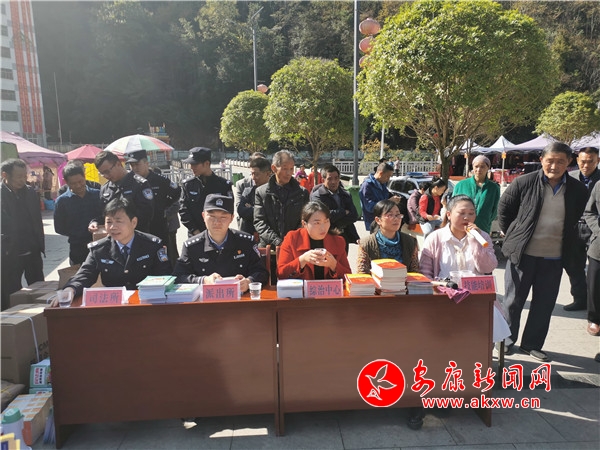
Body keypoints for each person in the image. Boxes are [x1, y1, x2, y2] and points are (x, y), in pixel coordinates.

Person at [498, 142, 588, 362]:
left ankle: (532, 344)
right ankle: (507, 341)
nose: (554, 166)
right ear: (541, 160)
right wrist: (515, 236)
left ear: (569, 163)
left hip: (554, 257)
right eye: (550, 161)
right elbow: (504, 210)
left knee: (544, 304)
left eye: (560, 161)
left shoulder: (577, 190)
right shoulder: (524, 182)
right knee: (512, 301)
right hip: (522, 255)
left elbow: (579, 217)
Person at [59, 198, 172, 299]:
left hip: (146, 302)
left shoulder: (152, 245)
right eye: (109, 222)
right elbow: (85, 274)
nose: (113, 227)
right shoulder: (99, 249)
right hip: (115, 304)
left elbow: (165, 276)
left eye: (118, 221)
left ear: (133, 222)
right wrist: (71, 289)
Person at [173, 194, 269, 290]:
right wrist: (203, 280)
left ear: (231, 218)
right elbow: (178, 277)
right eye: (212, 216)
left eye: (223, 217)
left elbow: (262, 272)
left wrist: (249, 281)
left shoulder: (246, 242)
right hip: (205, 298)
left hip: (240, 297)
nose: (217, 222)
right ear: (203, 216)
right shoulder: (191, 246)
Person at [1, 159, 45, 310]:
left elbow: (37, 220)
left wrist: (39, 243)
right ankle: (11, 318)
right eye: (18, 176)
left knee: (39, 287)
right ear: (5, 175)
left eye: (24, 176)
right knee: (9, 291)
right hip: (9, 253)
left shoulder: (30, 192)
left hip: (32, 249)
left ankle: (41, 315)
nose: (23, 180)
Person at [420, 195, 497, 279]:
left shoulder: (483, 237)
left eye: (471, 213)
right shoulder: (434, 238)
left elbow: (488, 268)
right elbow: (425, 273)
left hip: (475, 287)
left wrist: (475, 242)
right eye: (461, 213)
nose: (466, 218)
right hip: (443, 287)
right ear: (449, 215)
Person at [563, 146, 600, 311]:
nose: (586, 165)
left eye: (590, 162)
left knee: (595, 270)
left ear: (597, 161)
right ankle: (580, 299)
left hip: (595, 228)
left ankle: (595, 304)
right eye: (583, 161)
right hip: (573, 227)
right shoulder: (569, 177)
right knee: (573, 266)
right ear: (577, 161)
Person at [277, 201, 351, 280]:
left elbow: (348, 277)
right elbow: (281, 274)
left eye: (326, 221)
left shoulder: (338, 241)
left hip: (328, 287)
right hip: (302, 287)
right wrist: (302, 260)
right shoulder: (292, 238)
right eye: (317, 223)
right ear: (304, 224)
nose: (323, 228)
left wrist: (333, 265)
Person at [254, 150, 309, 247]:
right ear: (274, 168)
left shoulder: (302, 193)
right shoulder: (261, 192)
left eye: (291, 169)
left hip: (294, 246)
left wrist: (291, 240)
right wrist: (277, 241)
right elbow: (259, 221)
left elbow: (305, 220)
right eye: (285, 168)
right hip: (269, 247)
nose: (289, 173)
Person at [125, 150, 181, 244]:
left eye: (137, 164)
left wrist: (164, 207)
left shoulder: (160, 180)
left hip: (158, 225)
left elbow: (177, 191)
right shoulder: (129, 183)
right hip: (138, 227)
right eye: (131, 165)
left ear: (146, 163)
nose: (134, 168)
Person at [92, 150, 154, 233]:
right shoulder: (105, 189)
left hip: (136, 235)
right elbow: (102, 214)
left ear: (118, 164)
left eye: (107, 171)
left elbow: (146, 215)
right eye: (102, 173)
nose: (106, 176)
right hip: (113, 236)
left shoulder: (139, 184)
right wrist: (95, 222)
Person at [54, 163, 104, 264]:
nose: (78, 186)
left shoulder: (98, 195)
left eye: (80, 181)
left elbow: (106, 216)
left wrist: (96, 223)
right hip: (77, 248)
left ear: (84, 177)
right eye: (73, 183)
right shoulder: (62, 201)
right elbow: (59, 228)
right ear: (66, 182)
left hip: (100, 245)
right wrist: (78, 233)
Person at [179, 147, 232, 237]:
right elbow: (183, 211)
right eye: (190, 164)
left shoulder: (223, 185)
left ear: (206, 163)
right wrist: (195, 231)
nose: (191, 167)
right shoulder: (188, 185)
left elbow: (229, 212)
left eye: (195, 164)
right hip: (195, 235)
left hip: (218, 235)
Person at [357, 199, 419, 274]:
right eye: (390, 215)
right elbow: (362, 273)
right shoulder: (366, 243)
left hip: (404, 281)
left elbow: (415, 271)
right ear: (378, 220)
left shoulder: (410, 241)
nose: (396, 219)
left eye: (398, 215)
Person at [310, 164, 360, 251]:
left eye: (336, 178)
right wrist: (343, 212)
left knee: (342, 259)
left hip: (343, 236)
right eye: (330, 179)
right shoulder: (317, 196)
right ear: (323, 180)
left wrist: (335, 218)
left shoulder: (345, 194)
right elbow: (323, 217)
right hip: (325, 236)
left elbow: (354, 216)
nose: (333, 182)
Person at [451, 155, 500, 234]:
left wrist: (486, 220)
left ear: (488, 168)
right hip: (462, 226)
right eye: (476, 166)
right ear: (472, 167)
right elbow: (453, 205)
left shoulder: (493, 188)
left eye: (482, 167)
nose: (479, 169)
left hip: (482, 227)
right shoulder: (461, 185)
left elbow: (495, 209)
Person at [359, 162, 402, 230]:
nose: (388, 179)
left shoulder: (382, 184)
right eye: (387, 176)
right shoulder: (367, 185)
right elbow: (370, 207)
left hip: (385, 221)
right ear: (381, 173)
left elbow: (385, 197)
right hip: (374, 222)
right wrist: (389, 201)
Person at [237, 157, 272, 237]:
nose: (253, 177)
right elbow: (241, 211)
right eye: (252, 174)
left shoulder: (275, 193)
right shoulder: (248, 192)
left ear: (267, 173)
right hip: (249, 236)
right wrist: (263, 209)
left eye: (256, 174)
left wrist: (252, 208)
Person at [583, 182, 600, 344]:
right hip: (598, 247)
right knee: (594, 285)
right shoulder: (599, 186)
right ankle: (594, 319)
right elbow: (589, 212)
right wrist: (598, 230)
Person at [234, 152, 266, 229]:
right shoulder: (242, 184)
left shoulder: (272, 184)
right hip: (247, 228)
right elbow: (240, 209)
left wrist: (251, 207)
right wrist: (264, 209)